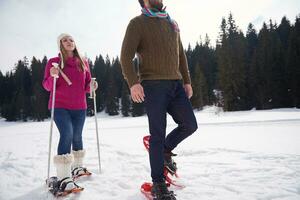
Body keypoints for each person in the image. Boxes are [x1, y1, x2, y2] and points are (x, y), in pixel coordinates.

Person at [120, 0, 198, 199]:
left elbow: (181, 54)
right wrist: (133, 83)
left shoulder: (172, 23)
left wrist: (187, 81)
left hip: (176, 85)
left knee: (190, 124)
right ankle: (158, 184)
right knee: (157, 133)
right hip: (153, 86)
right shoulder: (137, 23)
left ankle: (164, 150)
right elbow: (125, 55)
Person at [43, 33, 97, 193]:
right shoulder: (54, 62)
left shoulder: (83, 62)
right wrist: (52, 75)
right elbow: (46, 86)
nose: (69, 42)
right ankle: (64, 176)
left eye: (71, 40)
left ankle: (77, 168)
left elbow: (86, 85)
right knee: (67, 133)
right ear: (60, 44)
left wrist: (92, 86)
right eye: (65, 40)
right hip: (60, 105)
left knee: (77, 135)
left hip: (80, 106)